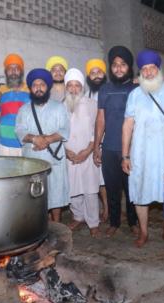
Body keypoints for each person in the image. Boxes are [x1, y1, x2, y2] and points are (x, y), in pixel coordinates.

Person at [121, 49, 164, 247]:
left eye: (152, 68)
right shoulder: (135, 95)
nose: (148, 72)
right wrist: (125, 156)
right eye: (144, 69)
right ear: (140, 72)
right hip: (141, 153)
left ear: (158, 69)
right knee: (140, 193)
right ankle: (143, 233)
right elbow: (127, 125)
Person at [93, 45, 138, 237]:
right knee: (112, 188)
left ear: (129, 67)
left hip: (132, 149)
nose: (119, 68)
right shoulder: (105, 90)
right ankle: (114, 222)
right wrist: (97, 146)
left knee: (131, 189)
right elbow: (100, 119)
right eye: (115, 65)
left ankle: (133, 222)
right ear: (110, 68)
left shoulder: (136, 89)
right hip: (110, 147)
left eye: (123, 64)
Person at [15, 68, 70, 222]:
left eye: (42, 84)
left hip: (53, 158)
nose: (38, 88)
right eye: (35, 85)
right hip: (32, 160)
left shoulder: (59, 107)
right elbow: (19, 131)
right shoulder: (24, 110)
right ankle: (39, 228)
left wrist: (46, 140)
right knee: (36, 195)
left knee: (56, 193)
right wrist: (34, 139)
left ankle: (57, 226)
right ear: (30, 88)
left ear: (48, 87)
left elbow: (65, 130)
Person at [64, 68, 101, 237]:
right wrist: (67, 150)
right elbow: (58, 130)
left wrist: (88, 151)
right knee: (73, 189)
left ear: (82, 87)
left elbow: (98, 130)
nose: (73, 89)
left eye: (77, 85)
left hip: (88, 154)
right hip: (69, 154)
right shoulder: (60, 106)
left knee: (90, 189)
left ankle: (93, 222)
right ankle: (78, 217)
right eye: (70, 85)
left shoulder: (92, 105)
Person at [0, 54, 30, 156]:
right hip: (4, 145)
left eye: (17, 68)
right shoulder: (1, 91)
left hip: (25, 145)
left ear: (22, 71)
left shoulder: (31, 90)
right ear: (6, 72)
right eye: (10, 68)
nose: (13, 71)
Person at [85, 58, 109, 223]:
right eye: (92, 73)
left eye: (99, 72)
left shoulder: (109, 91)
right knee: (97, 179)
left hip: (107, 141)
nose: (96, 76)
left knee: (107, 179)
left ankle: (109, 208)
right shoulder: (85, 95)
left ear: (104, 74)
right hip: (90, 143)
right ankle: (102, 208)